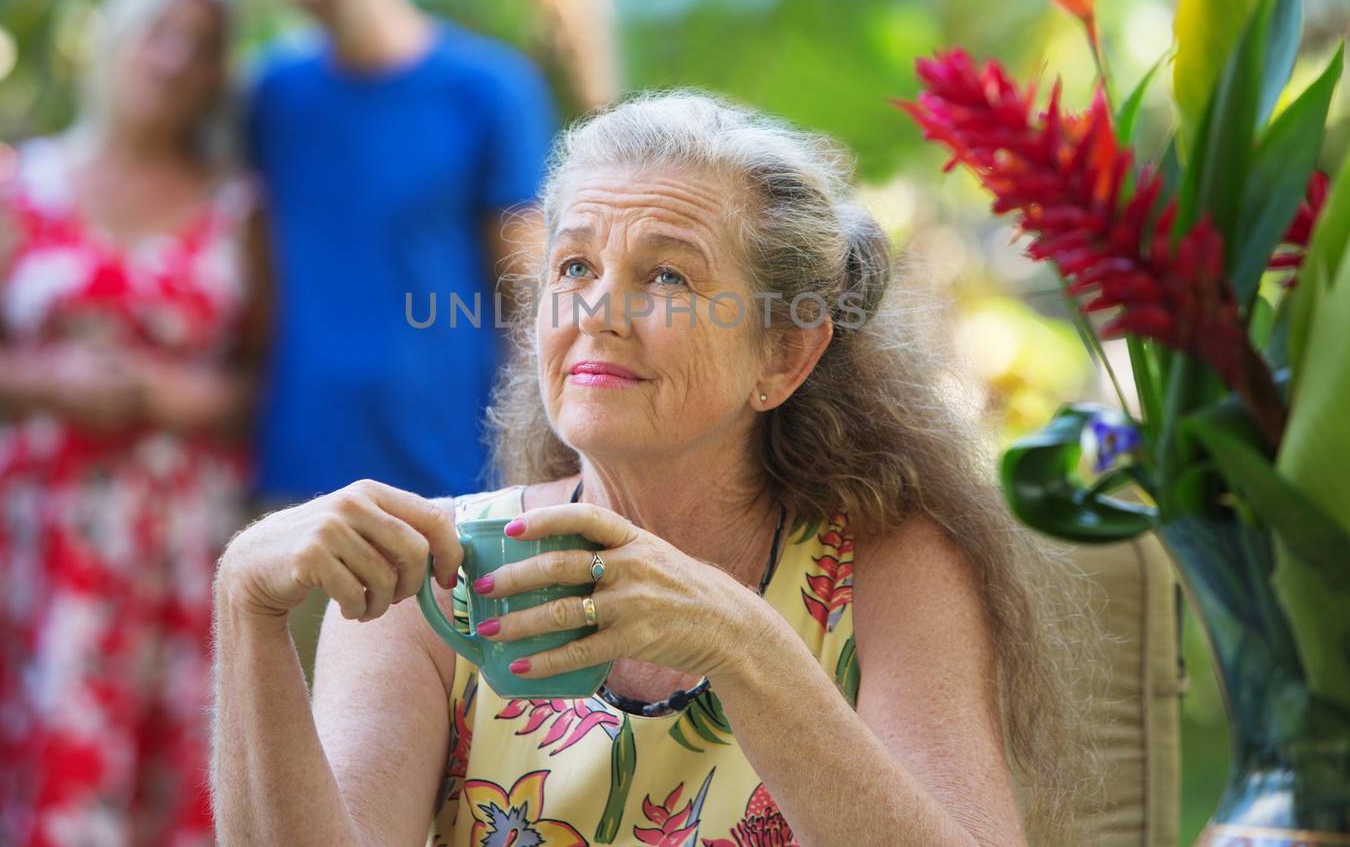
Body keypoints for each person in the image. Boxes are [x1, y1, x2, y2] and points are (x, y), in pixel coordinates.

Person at [210, 90, 1096, 846]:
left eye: (667, 276)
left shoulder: (882, 568)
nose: (597, 310)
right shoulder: (433, 577)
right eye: (575, 266)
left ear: (783, 356)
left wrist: (741, 644)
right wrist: (247, 607)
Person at [0, 0, 269, 847]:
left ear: (218, 73)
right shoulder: (21, 184)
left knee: (165, 768)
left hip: (175, 538)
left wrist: (174, 397)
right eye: (160, 30)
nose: (174, 57)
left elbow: (259, 381)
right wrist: (47, 383)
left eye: (201, 44)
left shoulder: (238, 208)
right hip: (35, 530)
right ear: (118, 36)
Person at [243, 0, 557, 518]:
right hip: (299, 482)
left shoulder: (490, 89)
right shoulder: (271, 97)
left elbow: (528, 295)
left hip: (451, 482)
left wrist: (533, 472)